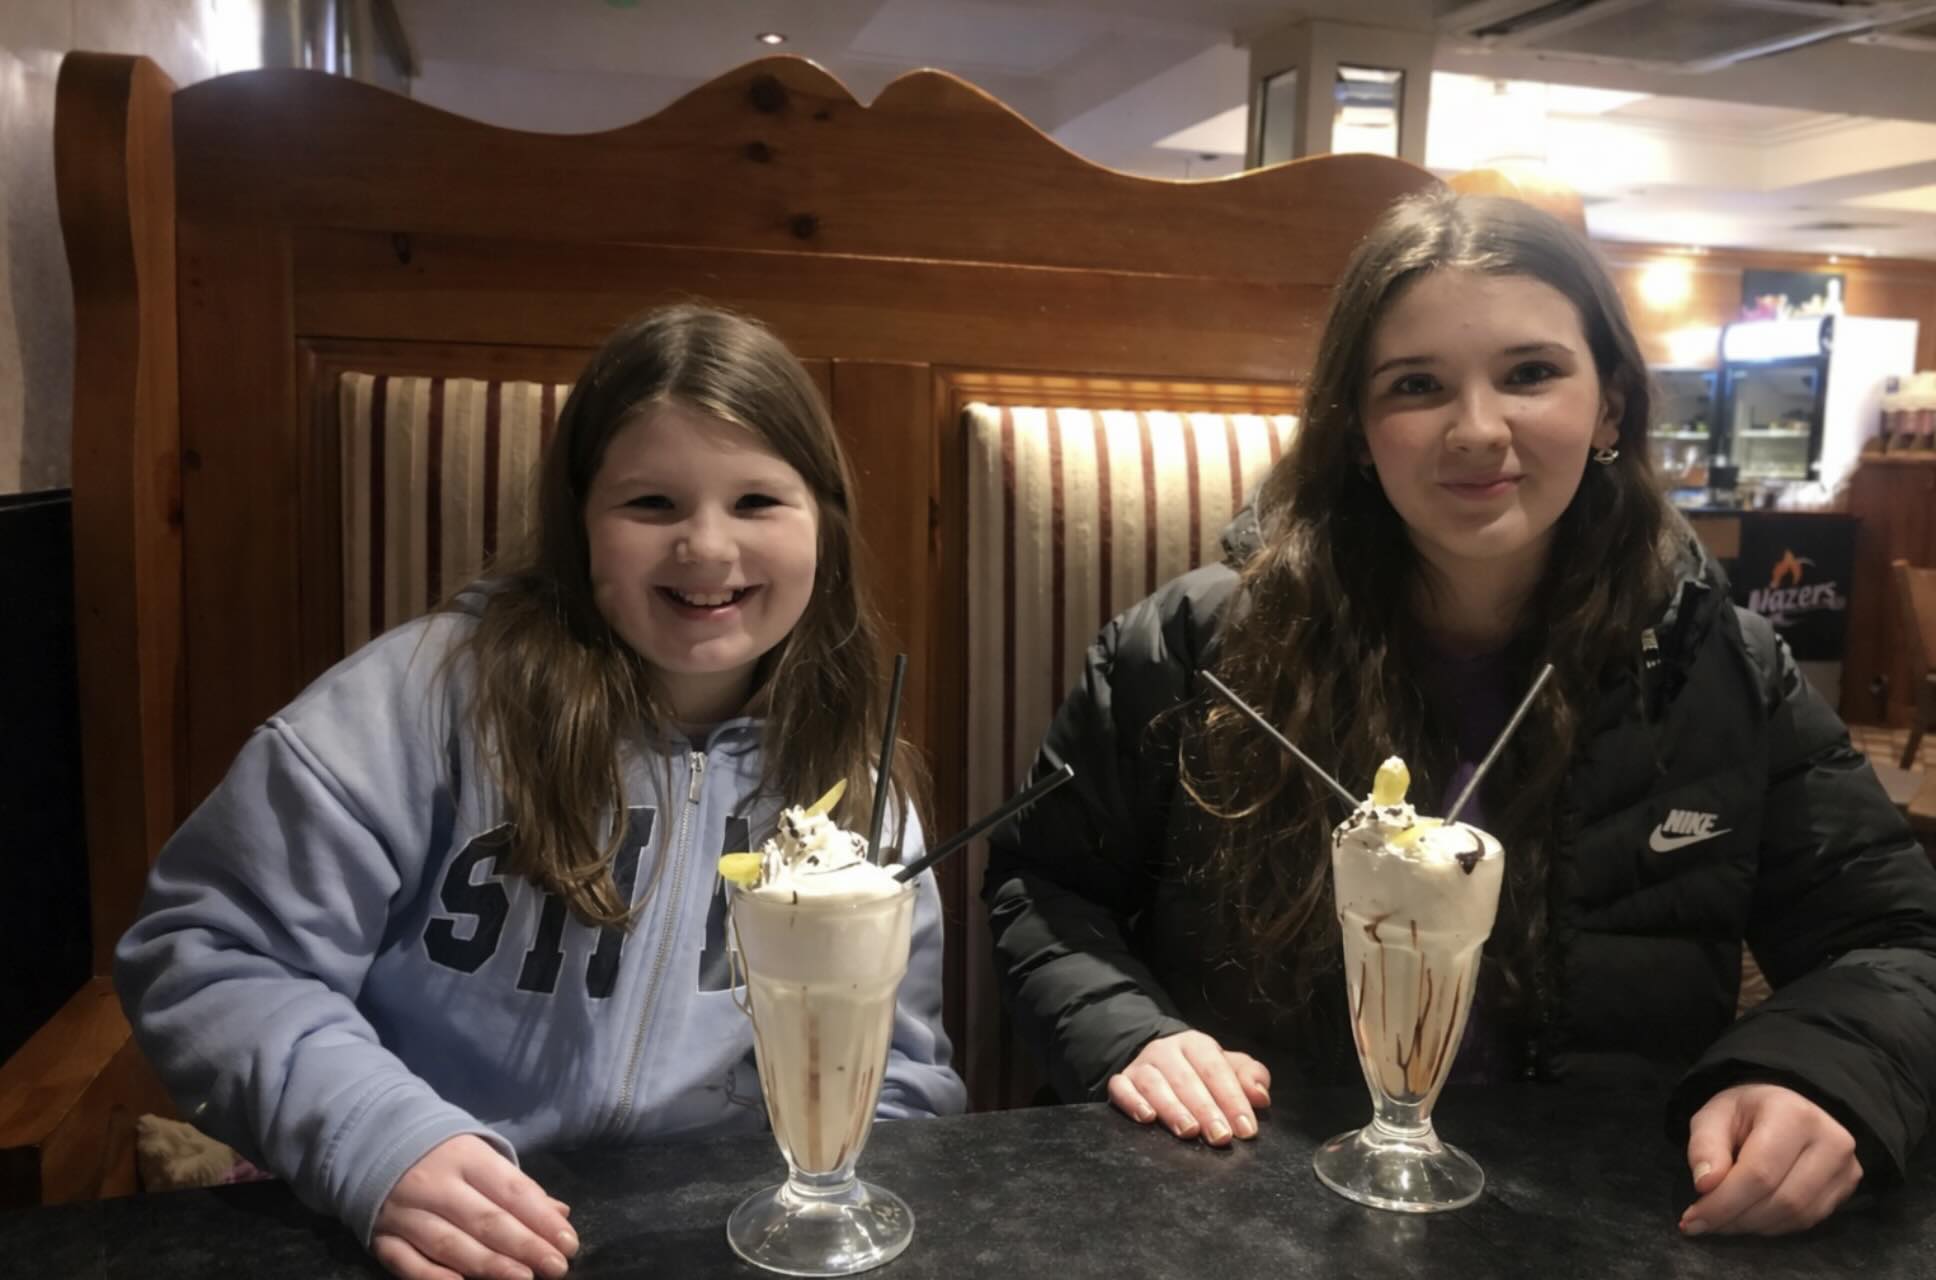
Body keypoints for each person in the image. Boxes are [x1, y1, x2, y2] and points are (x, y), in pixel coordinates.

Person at [984, 191, 1936, 1238]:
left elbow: (1895, 937)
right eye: (1416, 385)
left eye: (1530, 373)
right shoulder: (1192, 650)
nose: (1478, 430)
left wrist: (1822, 1071)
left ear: (1610, 407)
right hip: (1254, 1200)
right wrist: (1133, 1035)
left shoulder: (1719, 663)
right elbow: (1045, 886)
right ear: (1356, 431)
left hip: (1601, 1221)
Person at [117, 305, 965, 1280]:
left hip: (718, 1234)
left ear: (825, 522)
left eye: (757, 501)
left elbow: (897, 1075)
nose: (706, 546)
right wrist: (376, 1133)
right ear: (578, 522)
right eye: (652, 503)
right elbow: (208, 952)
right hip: (422, 1214)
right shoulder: (425, 702)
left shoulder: (850, 788)